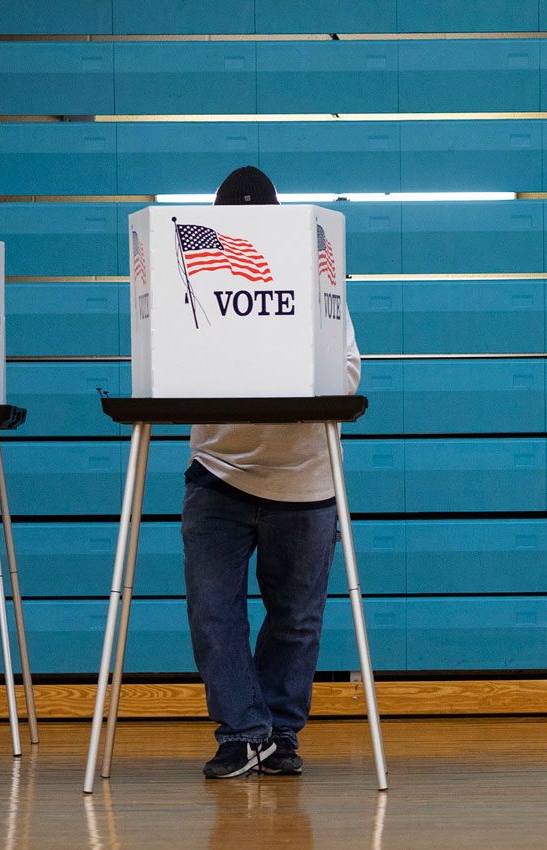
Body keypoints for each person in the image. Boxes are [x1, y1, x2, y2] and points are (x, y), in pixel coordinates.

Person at [186, 165, 359, 778]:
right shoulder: (197, 290)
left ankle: (278, 732)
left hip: (306, 475)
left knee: (296, 618)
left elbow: (348, 375)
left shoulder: (316, 283)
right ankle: (243, 731)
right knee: (214, 613)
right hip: (218, 470)